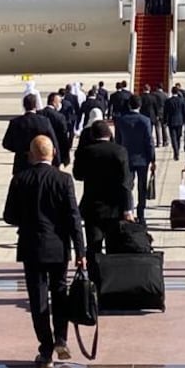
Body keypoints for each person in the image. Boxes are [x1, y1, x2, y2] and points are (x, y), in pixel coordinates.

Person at [3, 135, 86, 368]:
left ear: (31, 154)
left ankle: (45, 348)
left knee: (38, 298)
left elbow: (9, 215)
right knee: (60, 292)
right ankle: (61, 338)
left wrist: (27, 219)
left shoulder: (20, 179)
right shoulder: (63, 180)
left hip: (31, 246)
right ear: (53, 154)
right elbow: (73, 218)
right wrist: (81, 251)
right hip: (58, 246)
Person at [73, 120, 133, 282]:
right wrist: (128, 208)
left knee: (93, 247)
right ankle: (114, 282)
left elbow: (78, 175)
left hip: (93, 206)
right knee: (115, 247)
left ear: (92, 135)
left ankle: (95, 282)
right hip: (116, 207)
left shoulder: (86, 152)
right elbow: (125, 183)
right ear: (110, 134)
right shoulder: (119, 151)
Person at [114, 94, 155, 224]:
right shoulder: (145, 120)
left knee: (127, 186)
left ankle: (128, 210)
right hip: (142, 159)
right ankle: (141, 214)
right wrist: (152, 158)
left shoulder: (121, 120)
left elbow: (118, 141)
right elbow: (149, 141)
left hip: (126, 158)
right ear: (140, 105)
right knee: (142, 188)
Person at [2, 93, 59, 173]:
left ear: (24, 106)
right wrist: (56, 162)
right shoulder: (44, 121)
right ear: (35, 105)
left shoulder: (15, 122)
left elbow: (6, 143)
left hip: (21, 163)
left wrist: (20, 149)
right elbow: (53, 142)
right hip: (40, 160)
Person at [42, 93, 71, 166]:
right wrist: (66, 157)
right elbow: (64, 136)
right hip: (55, 150)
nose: (60, 104)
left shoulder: (39, 114)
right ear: (54, 102)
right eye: (59, 102)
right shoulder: (60, 117)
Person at [164, 85, 185, 162]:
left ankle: (176, 152)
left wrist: (165, 121)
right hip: (180, 120)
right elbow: (184, 111)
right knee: (178, 137)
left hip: (171, 121)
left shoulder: (168, 101)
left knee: (173, 137)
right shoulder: (182, 100)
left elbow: (165, 112)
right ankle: (177, 149)